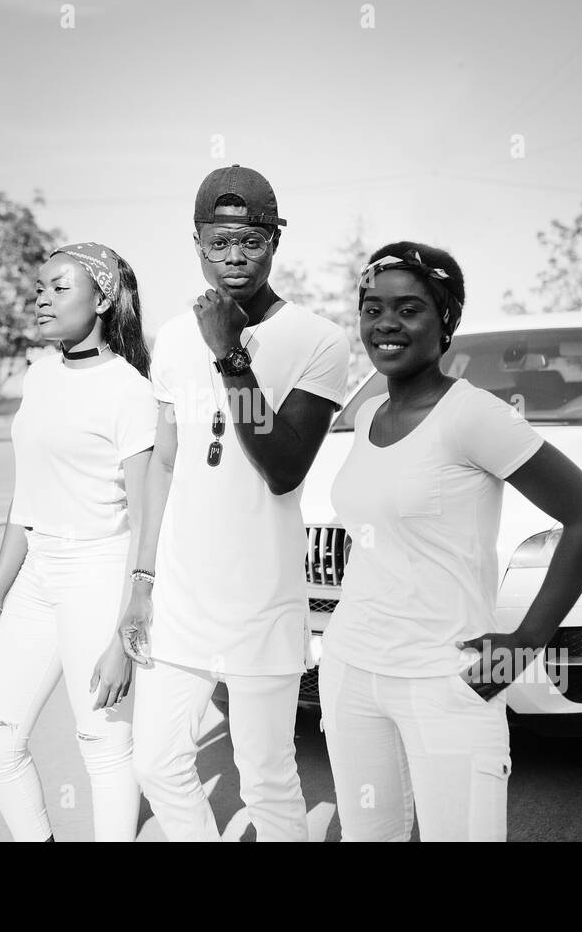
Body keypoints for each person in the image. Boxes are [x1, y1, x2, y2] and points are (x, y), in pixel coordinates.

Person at [321, 242, 582, 842]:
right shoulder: (370, 411)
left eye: (408, 309)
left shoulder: (474, 415)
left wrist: (524, 645)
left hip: (444, 678)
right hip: (351, 668)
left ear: (446, 320)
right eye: (372, 308)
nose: (385, 324)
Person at [120, 164, 351, 842]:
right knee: (157, 761)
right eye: (217, 244)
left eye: (248, 242)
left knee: (267, 777)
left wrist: (230, 355)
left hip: (261, 601)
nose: (232, 260)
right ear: (196, 242)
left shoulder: (318, 340)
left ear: (275, 240)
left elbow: (283, 466)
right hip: (182, 598)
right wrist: (141, 580)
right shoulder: (169, 338)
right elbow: (164, 463)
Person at [0, 242, 156, 842]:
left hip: (99, 573)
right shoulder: (40, 374)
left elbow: (147, 515)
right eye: (40, 287)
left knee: (103, 744)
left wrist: (126, 631)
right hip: (36, 575)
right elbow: (27, 502)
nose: (41, 298)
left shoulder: (128, 390)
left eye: (58, 288)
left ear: (101, 300)